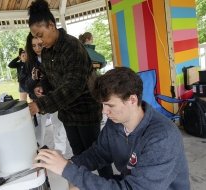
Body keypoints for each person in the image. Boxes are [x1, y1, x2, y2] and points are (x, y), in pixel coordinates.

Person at [34, 67, 190, 190]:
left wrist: (67, 170)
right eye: (102, 105)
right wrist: (65, 164)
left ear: (132, 100)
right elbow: (98, 154)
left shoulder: (162, 138)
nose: (104, 111)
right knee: (78, 185)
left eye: (110, 105)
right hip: (130, 182)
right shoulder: (116, 123)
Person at [27, 0, 113, 178]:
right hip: (67, 113)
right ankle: (83, 184)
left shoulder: (72, 46)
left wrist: (40, 105)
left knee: (97, 154)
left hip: (85, 111)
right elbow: (49, 77)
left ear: (51, 25)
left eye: (40, 35)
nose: (40, 41)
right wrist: (42, 87)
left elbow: (72, 86)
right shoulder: (47, 51)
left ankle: (108, 183)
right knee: (79, 155)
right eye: (35, 37)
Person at [24, 32, 73, 158]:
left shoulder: (54, 57)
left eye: (39, 45)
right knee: (39, 127)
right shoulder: (30, 61)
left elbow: (61, 80)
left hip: (54, 99)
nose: (37, 48)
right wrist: (34, 82)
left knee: (58, 124)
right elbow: (25, 84)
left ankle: (59, 151)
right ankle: (38, 149)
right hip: (37, 101)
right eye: (33, 46)